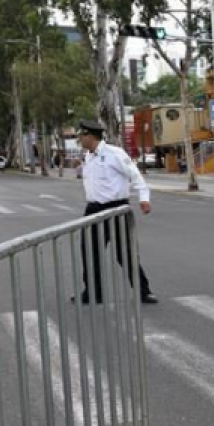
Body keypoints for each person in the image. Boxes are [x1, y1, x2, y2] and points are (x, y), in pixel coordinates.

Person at [74, 119, 158, 305]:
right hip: (93, 209)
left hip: (117, 208)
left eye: (81, 136)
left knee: (125, 253)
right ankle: (93, 292)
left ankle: (144, 292)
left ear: (90, 136)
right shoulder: (88, 156)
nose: (80, 139)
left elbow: (135, 176)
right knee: (90, 251)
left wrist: (144, 198)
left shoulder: (115, 154)